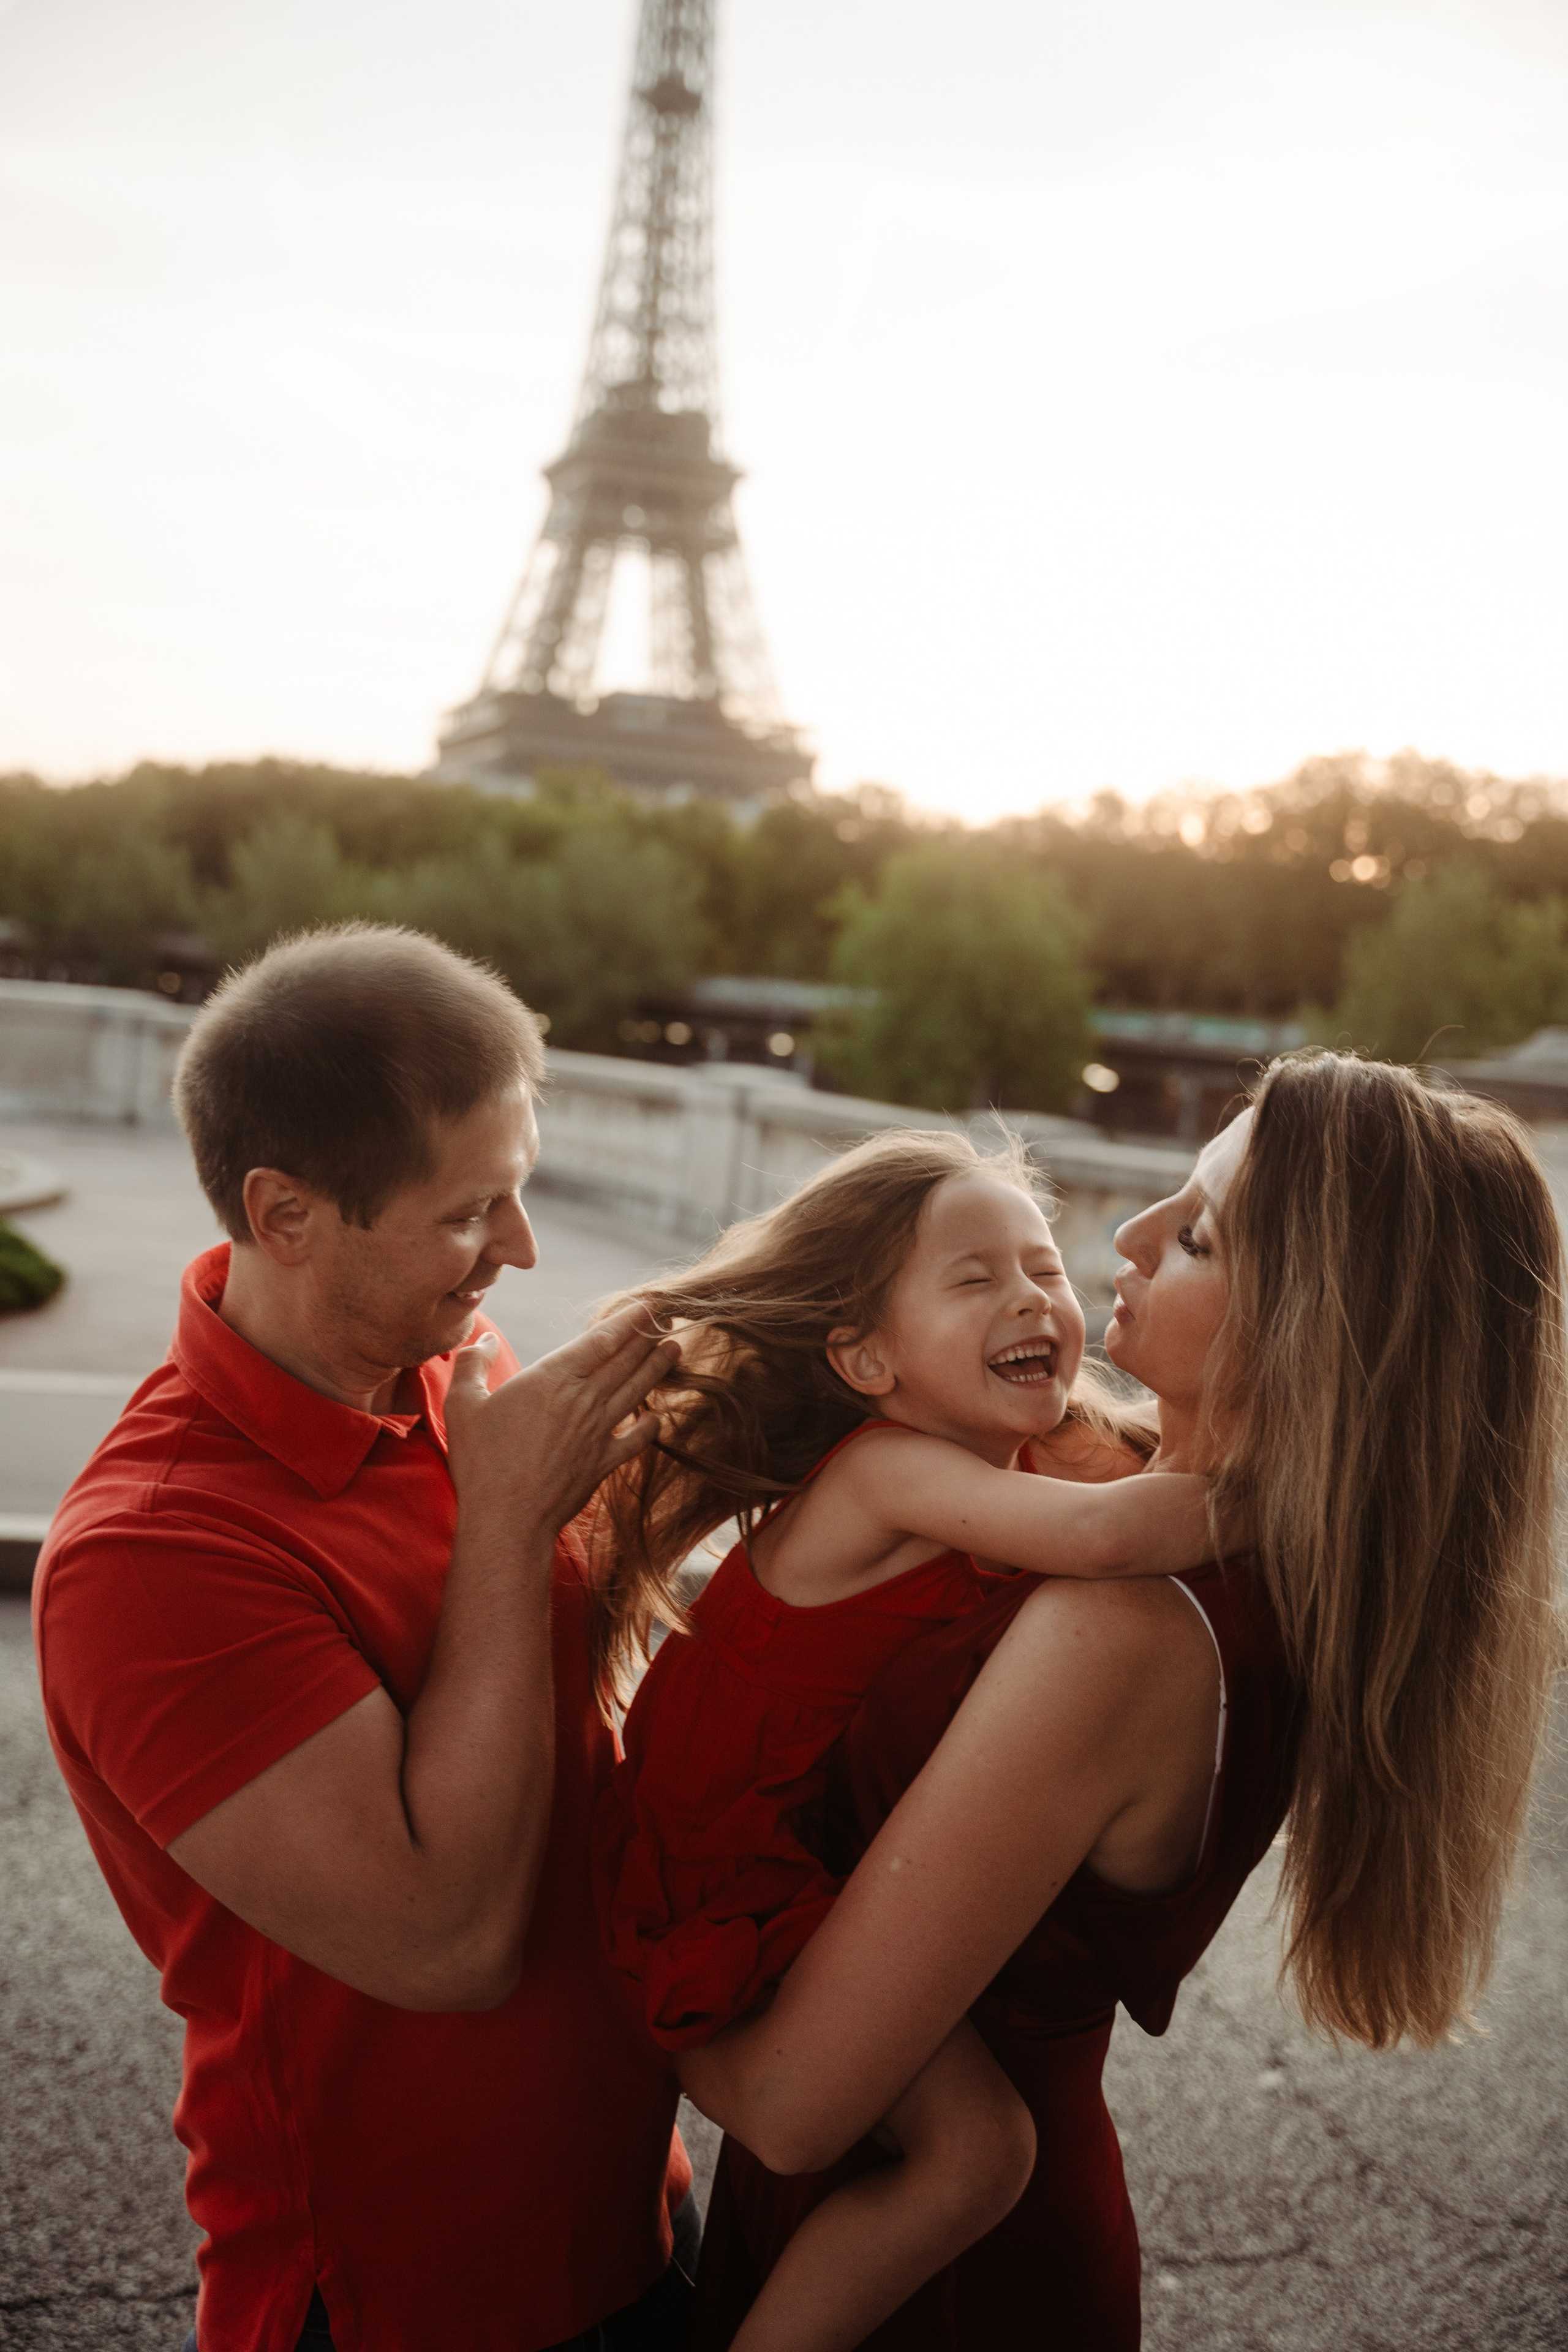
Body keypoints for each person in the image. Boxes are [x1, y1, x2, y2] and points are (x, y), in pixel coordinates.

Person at [666, 1054, 1566, 2348]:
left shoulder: (1122, 1626)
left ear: (1319, 1330)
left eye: (1196, 1235)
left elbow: (798, 2100)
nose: (1126, 1239)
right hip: (936, 2214)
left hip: (927, 2275)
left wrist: (610, 1926)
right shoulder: (1177, 1526)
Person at [32, 924, 695, 2352]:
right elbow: (440, 1941)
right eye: (470, 1215)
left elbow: (572, 1676)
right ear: (284, 1216)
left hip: (639, 2207)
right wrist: (513, 1522)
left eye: (516, 1196)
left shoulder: (458, 1367)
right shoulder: (151, 1554)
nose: (518, 1251)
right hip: (405, 2295)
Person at [592, 1129, 1221, 2352]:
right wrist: (1313, 1488)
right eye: (973, 1278)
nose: (1032, 1296)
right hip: (720, 1850)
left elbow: (1105, 1476)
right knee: (978, 2151)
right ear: (862, 1357)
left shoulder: (991, 1452)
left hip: (758, 1838)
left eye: (1041, 1267)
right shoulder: (886, 1469)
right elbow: (1105, 1538)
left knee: (971, 2149)